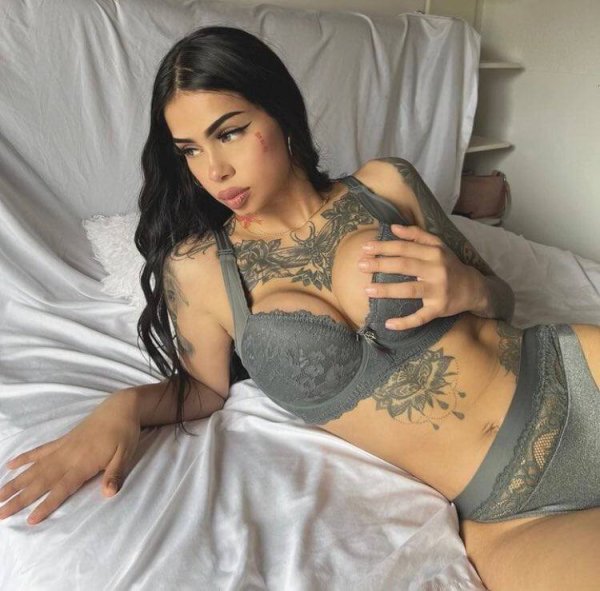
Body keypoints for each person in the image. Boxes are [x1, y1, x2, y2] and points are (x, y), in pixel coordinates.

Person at [2, 24, 600, 589]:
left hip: (575, 375)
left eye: (229, 132)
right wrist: (123, 408)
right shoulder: (199, 270)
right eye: (189, 150)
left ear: (280, 113)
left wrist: (470, 287)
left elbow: (500, 297)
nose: (215, 170)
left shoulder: (386, 185)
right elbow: (205, 389)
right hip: (507, 509)